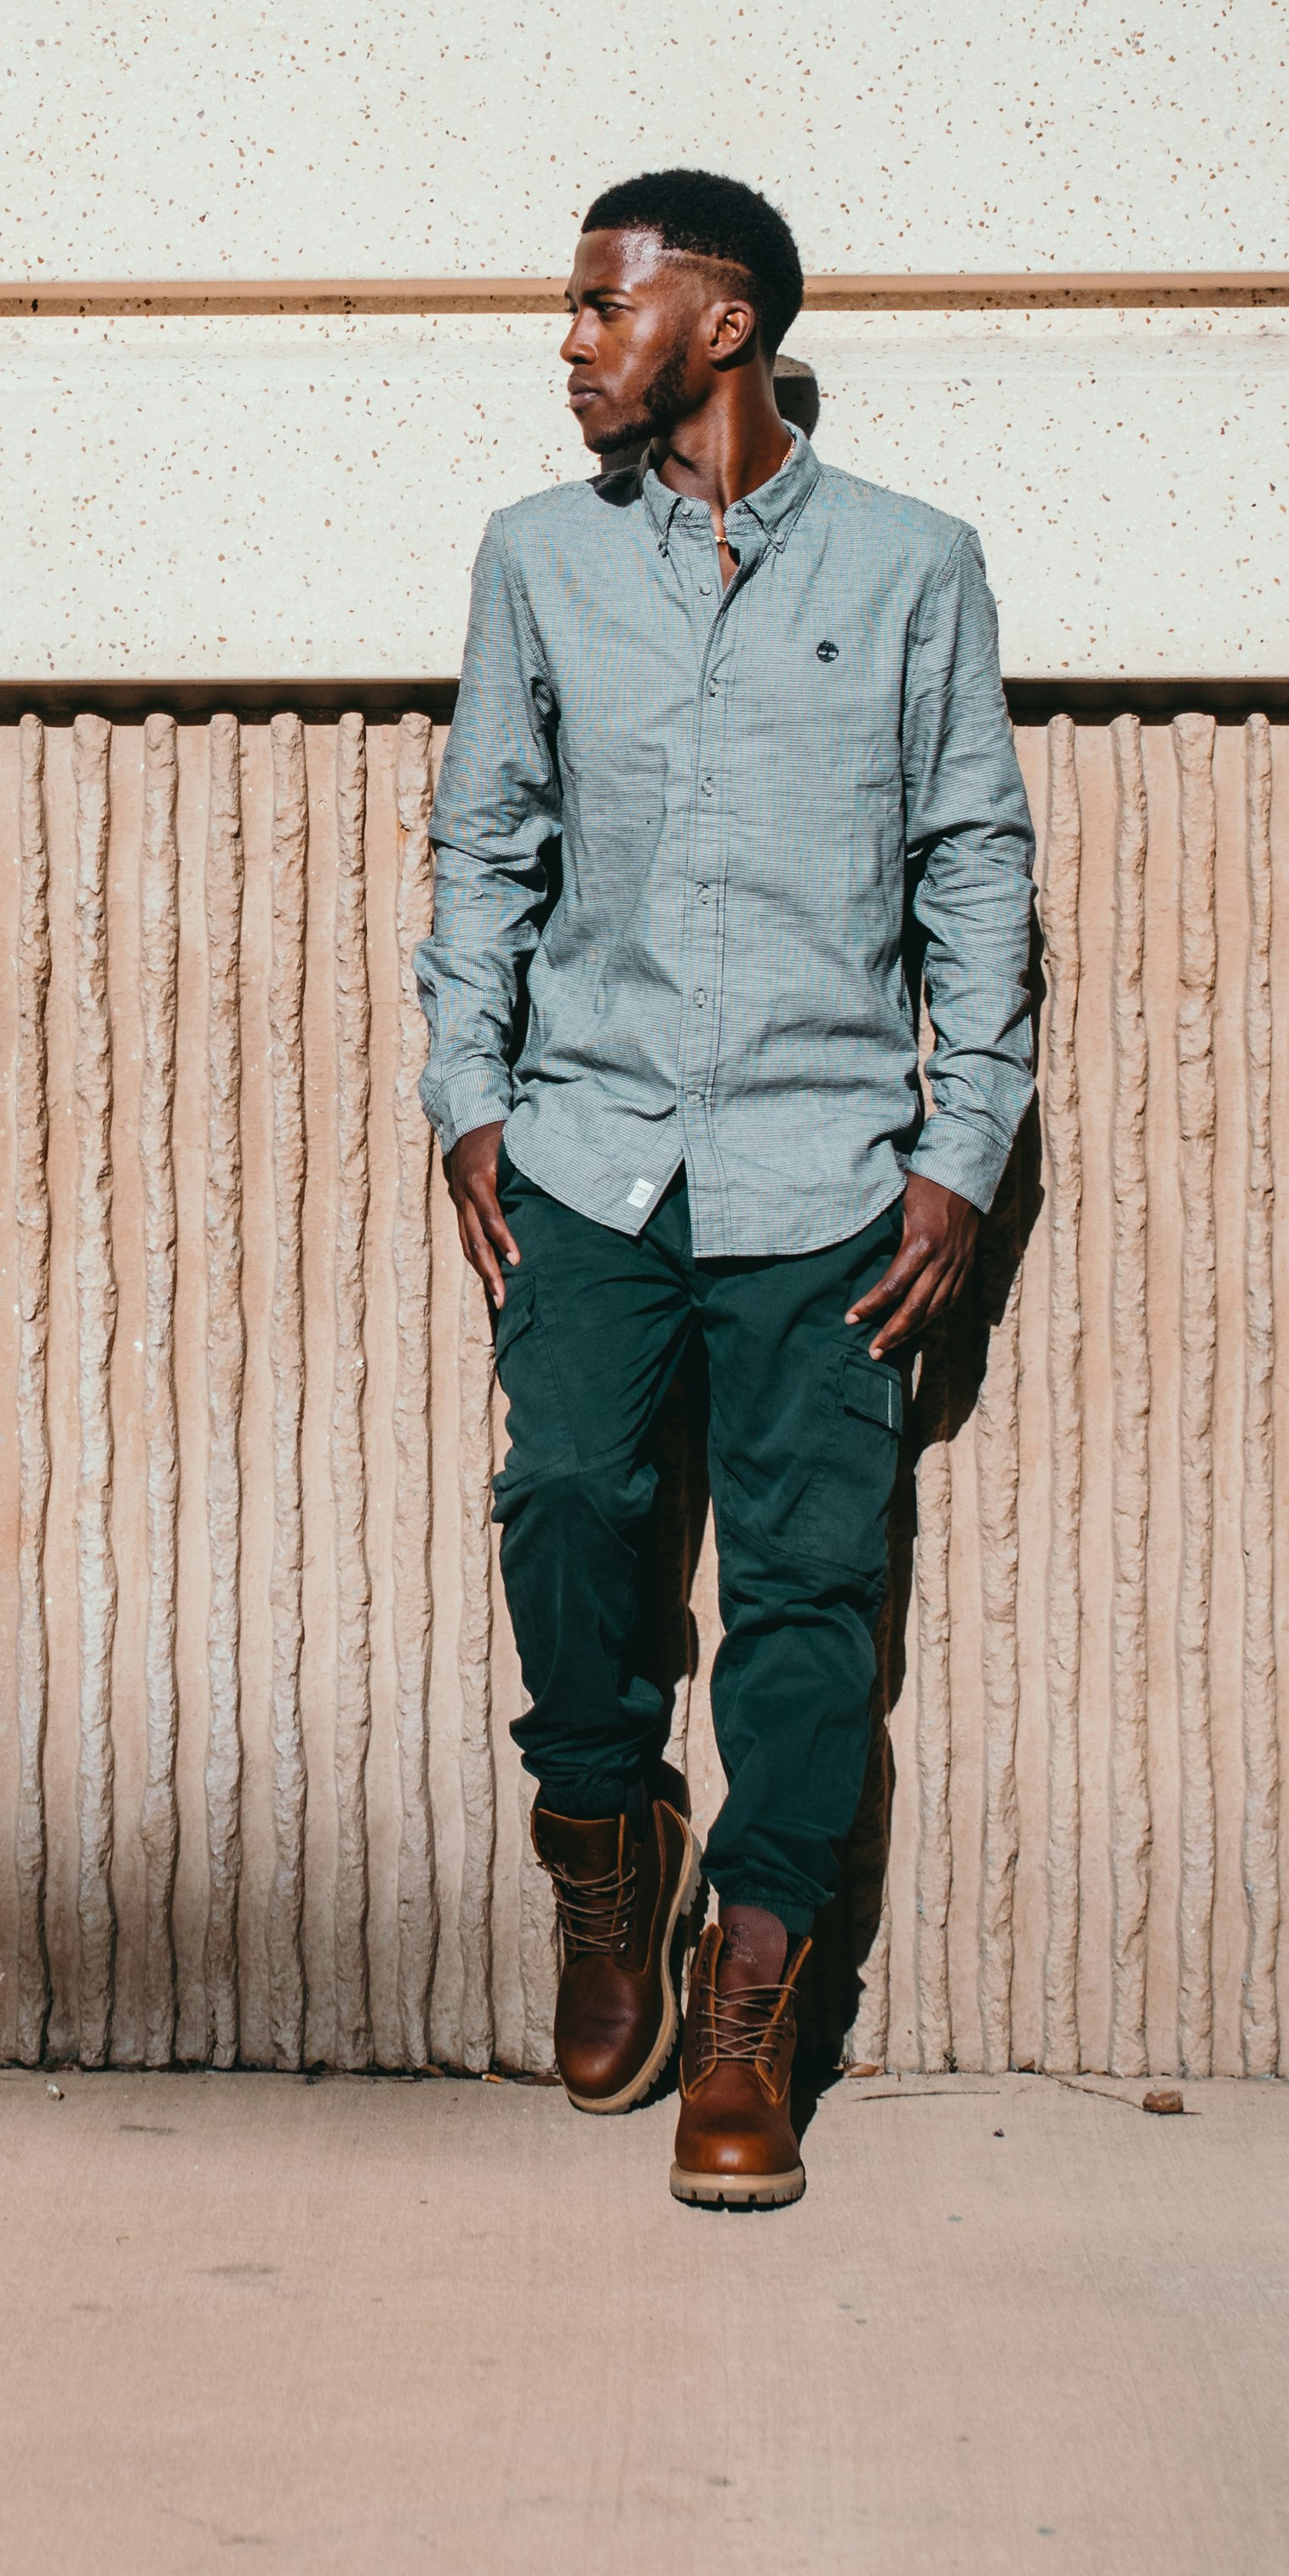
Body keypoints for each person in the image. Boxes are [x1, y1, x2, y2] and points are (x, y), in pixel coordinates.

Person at [413, 169, 1038, 2210]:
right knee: (569, 1499)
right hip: (590, 1151)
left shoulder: (914, 564)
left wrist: (959, 1151)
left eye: (600, 303)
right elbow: (484, 847)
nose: (570, 340)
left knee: (804, 1598)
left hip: (826, 1169)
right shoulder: (533, 565)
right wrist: (463, 1095)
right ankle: (607, 1851)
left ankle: (754, 1980)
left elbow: (971, 866)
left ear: (726, 318)